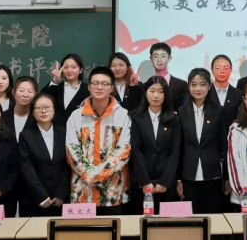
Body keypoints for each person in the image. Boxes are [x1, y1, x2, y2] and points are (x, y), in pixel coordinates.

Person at [65, 66, 131, 215]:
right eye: (95, 83)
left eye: (104, 84)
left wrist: (98, 175)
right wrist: (90, 175)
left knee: (113, 229)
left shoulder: (123, 115)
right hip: (82, 192)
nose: (99, 87)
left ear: (112, 88)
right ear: (88, 87)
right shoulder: (76, 116)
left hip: (113, 193)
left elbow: (124, 151)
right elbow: (72, 150)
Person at [177, 68, 229, 213]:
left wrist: (227, 178)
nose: (198, 89)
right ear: (188, 86)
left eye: (202, 84)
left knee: (213, 216)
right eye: (194, 84)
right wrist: (178, 179)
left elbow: (224, 146)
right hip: (188, 175)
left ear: (209, 86)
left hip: (213, 174)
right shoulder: (181, 112)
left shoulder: (218, 111)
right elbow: (178, 148)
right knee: (191, 218)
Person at [130, 76, 181, 213]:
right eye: (152, 91)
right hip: (141, 181)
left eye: (160, 91)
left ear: (166, 95)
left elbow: (175, 151)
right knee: (141, 221)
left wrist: (165, 182)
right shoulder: (135, 117)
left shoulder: (174, 119)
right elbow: (136, 150)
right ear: (145, 93)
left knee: (165, 222)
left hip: (166, 182)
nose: (156, 95)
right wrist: (144, 181)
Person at [17, 93, 70, 217]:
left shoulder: (64, 133)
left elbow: (68, 164)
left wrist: (61, 194)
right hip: (34, 199)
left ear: (54, 110)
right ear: (33, 113)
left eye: (47, 107)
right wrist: (41, 195)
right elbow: (26, 168)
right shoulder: (25, 136)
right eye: (39, 108)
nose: (43, 111)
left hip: (60, 200)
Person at [43, 53, 90, 129]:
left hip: (79, 132)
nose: (69, 70)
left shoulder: (88, 89)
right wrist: (55, 81)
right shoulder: (56, 87)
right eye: (65, 67)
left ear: (80, 70)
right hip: (56, 131)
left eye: (73, 67)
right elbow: (41, 100)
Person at [150, 42, 188, 109]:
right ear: (151, 59)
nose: (159, 60)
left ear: (169, 58)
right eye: (156, 56)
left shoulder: (181, 85)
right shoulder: (147, 85)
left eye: (163, 56)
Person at [208, 54, 242, 127]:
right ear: (212, 70)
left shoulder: (238, 94)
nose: (222, 71)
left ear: (231, 70)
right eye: (218, 68)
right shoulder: (205, 93)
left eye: (226, 68)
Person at [3, 76, 38, 141]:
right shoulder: (2, 117)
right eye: (21, 90)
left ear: (35, 94)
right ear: (13, 91)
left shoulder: (38, 119)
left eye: (30, 91)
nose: (25, 95)